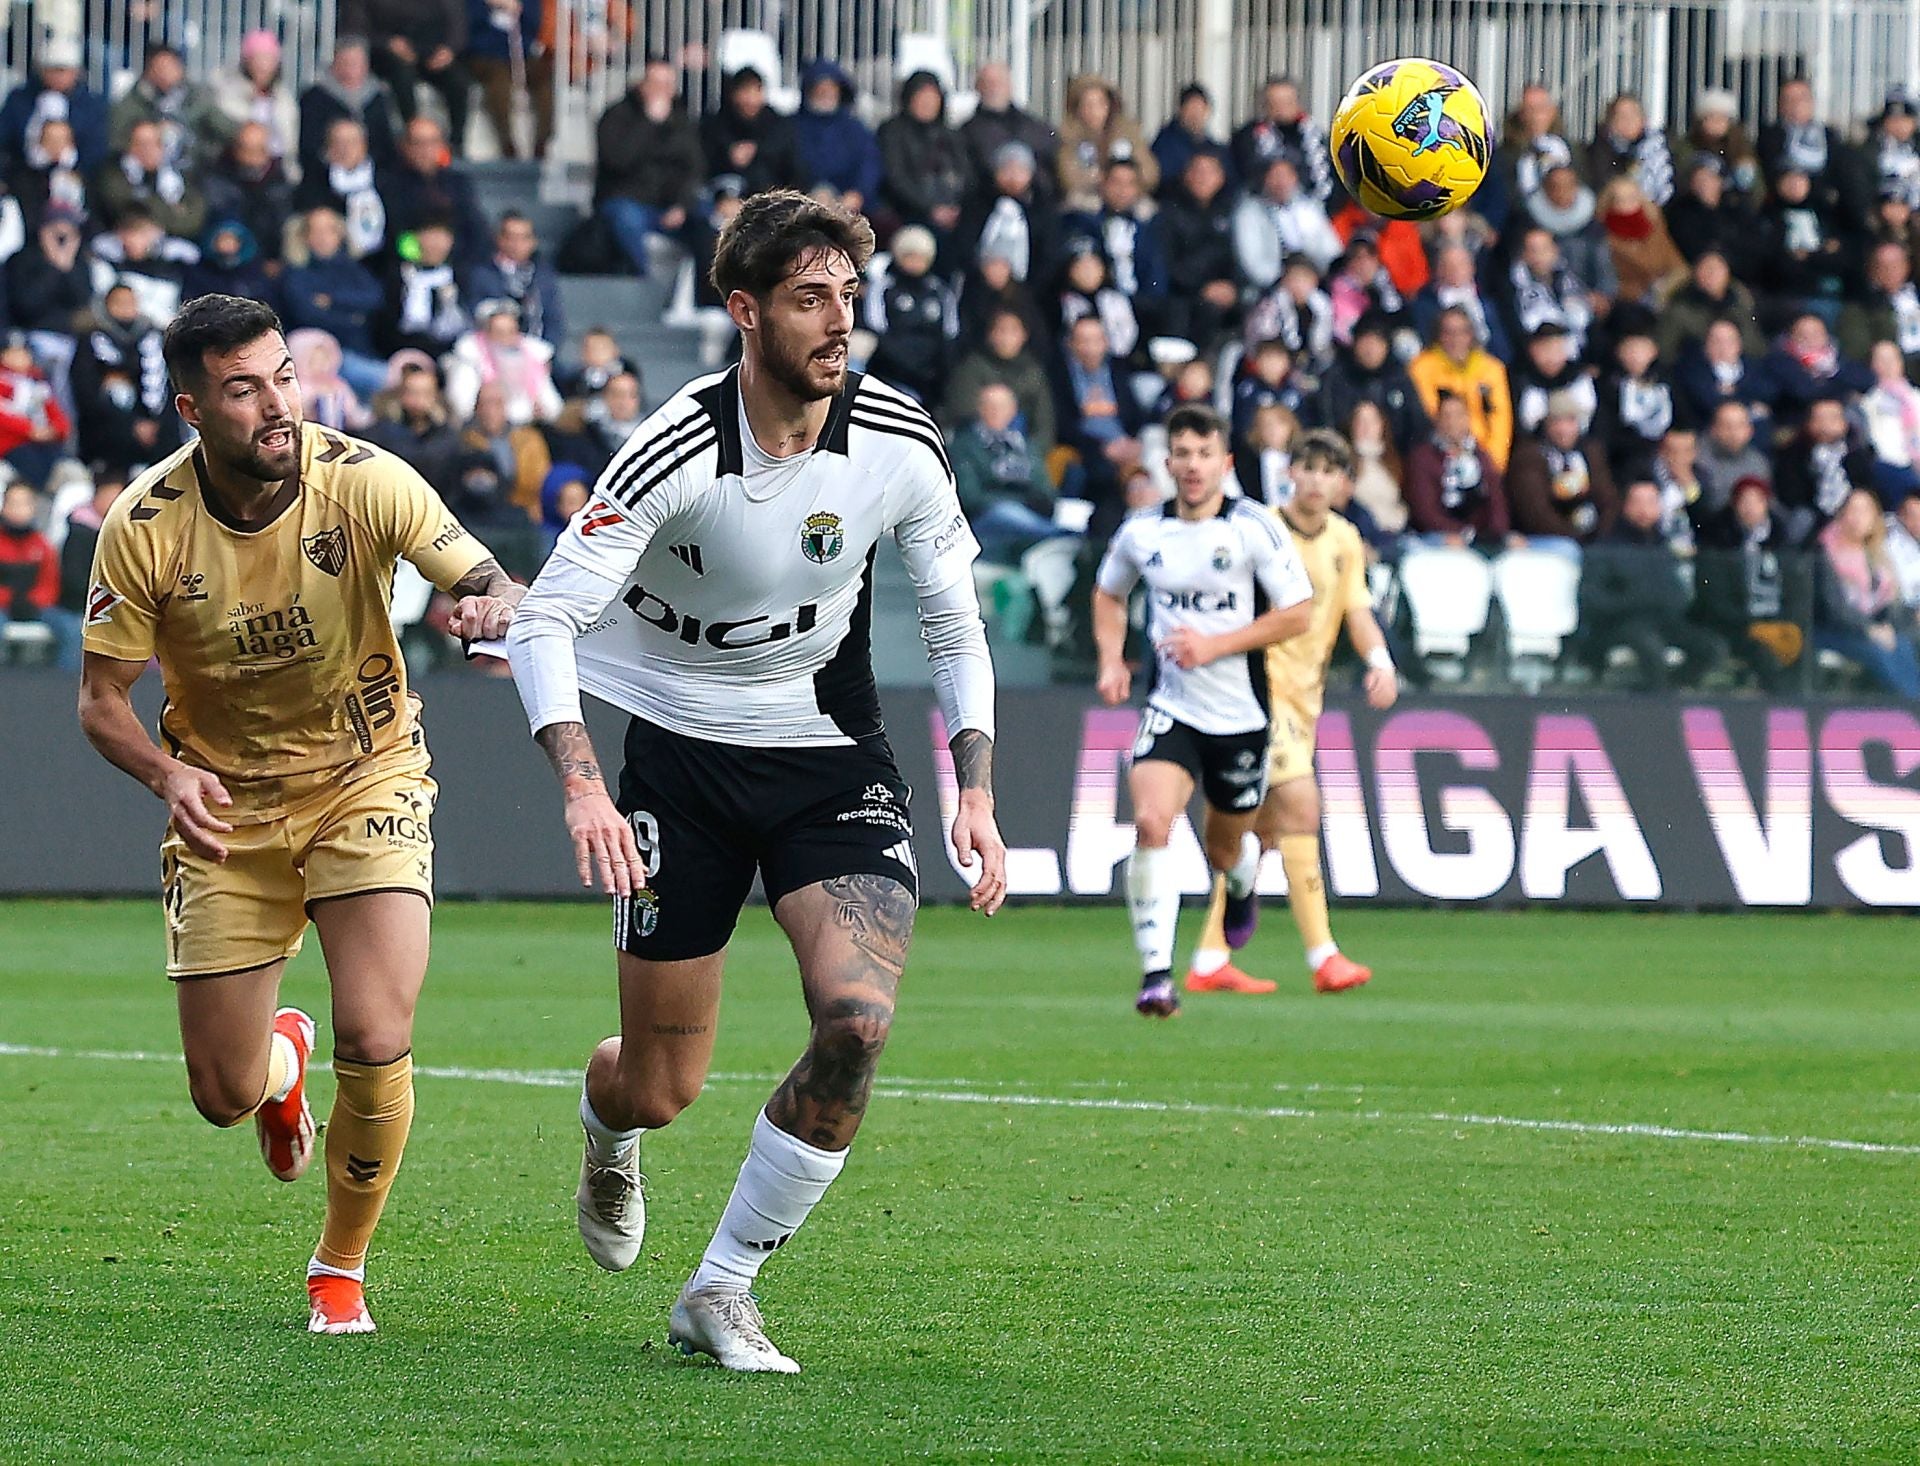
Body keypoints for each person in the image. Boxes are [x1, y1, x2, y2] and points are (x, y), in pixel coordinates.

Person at [497, 190, 1007, 1373]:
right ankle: (604, 1127)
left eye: (849, 297)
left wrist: (971, 784)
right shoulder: (675, 446)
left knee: (858, 1021)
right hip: (677, 762)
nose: (839, 322)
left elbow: (953, 621)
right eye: (810, 298)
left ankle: (722, 1283)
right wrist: (582, 785)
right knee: (658, 1086)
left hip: (832, 758)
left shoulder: (898, 439)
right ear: (744, 309)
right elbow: (546, 620)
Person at [75, 293, 522, 1335]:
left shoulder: (363, 478)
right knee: (222, 1093)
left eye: (282, 375)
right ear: (192, 406)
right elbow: (100, 700)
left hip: (366, 773)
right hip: (224, 802)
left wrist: (489, 604)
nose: (277, 403)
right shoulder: (143, 526)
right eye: (244, 387)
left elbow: (485, 573)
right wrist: (162, 774)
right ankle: (280, 1067)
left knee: (378, 1028)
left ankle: (340, 1265)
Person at [1092, 403, 1312, 1019]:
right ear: (1168, 463)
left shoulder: (1253, 528)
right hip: (1172, 708)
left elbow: (1299, 612)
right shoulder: (1142, 531)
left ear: (1225, 463)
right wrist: (1112, 659)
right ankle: (1157, 976)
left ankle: (1242, 885)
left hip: (1240, 717)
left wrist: (1213, 644)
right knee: (1151, 823)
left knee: (1224, 851)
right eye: (1182, 455)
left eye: (1204, 455)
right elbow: (1109, 592)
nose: (1192, 467)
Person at [1185, 429, 1395, 996]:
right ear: (1291, 474)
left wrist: (1379, 660)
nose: (1318, 480)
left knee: (1261, 835)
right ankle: (1324, 957)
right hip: (1254, 689)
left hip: (1305, 700)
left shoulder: (1345, 540)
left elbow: (1357, 611)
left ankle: (1208, 959)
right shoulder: (1259, 531)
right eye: (1309, 467)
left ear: (1344, 483)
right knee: (1302, 808)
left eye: (1331, 470)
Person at [1577, 479, 1727, 688]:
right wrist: (1634, 601)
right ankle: (1656, 703)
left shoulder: (1663, 548)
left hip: (1664, 621)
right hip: (1622, 624)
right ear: (1625, 506)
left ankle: (1672, 692)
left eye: (1650, 502)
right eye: (1637, 502)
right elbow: (1591, 600)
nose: (1644, 510)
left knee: (1712, 648)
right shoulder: (1606, 548)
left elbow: (1678, 594)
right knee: (1650, 649)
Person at [592, 61, 705, 279]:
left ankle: (710, 299)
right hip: (626, 200)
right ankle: (645, 284)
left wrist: (682, 205)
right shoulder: (616, 116)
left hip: (670, 206)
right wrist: (649, 123)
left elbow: (695, 168)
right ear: (641, 85)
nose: (661, 90)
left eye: (667, 84)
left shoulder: (683, 122)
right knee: (626, 219)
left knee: (709, 221)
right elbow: (617, 161)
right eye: (655, 83)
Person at [1814, 487, 1920, 695]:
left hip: (1869, 627)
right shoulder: (1825, 552)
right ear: (1842, 514)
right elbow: (1834, 608)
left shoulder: (1874, 554)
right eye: (1853, 510)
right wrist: (1871, 630)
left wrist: (1891, 623)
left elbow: (1885, 600)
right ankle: (1912, 709)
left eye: (1865, 511)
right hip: (1832, 630)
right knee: (1879, 651)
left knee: (1903, 644)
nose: (1857, 518)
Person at [347, 0, 472, 152]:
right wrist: (388, 43)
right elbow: (356, 28)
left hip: (432, 49)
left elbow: (457, 22)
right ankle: (413, 136)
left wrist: (449, 49)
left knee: (458, 80)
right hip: (386, 54)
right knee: (403, 77)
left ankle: (457, 141)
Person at [1407, 306, 1513, 468]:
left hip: (1486, 456)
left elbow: (1500, 419)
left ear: (1471, 335)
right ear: (1438, 335)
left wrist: (1492, 464)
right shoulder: (1421, 368)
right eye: (1448, 332)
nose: (1455, 339)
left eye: (1462, 332)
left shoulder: (1492, 369)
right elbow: (1431, 416)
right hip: (1441, 456)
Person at [0, 480, 58, 641]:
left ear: (33, 508)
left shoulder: (43, 544)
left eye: (24, 504)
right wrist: (10, 600)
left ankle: (67, 668)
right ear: (4, 507)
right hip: (2, 607)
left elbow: (50, 585)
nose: (18, 509)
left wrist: (32, 601)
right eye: (13, 503)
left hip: (35, 606)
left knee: (72, 628)